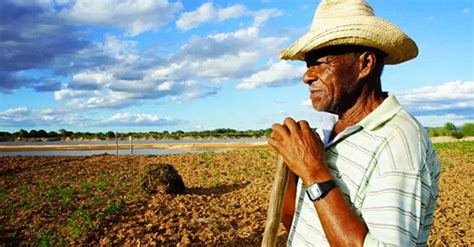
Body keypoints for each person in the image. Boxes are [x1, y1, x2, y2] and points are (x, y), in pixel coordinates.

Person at [267, 0, 440, 246]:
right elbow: (301, 223)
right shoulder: (328, 130)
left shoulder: (399, 142)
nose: (307, 76)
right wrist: (294, 165)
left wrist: (314, 171)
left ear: (365, 65)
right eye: (308, 65)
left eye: (321, 63)